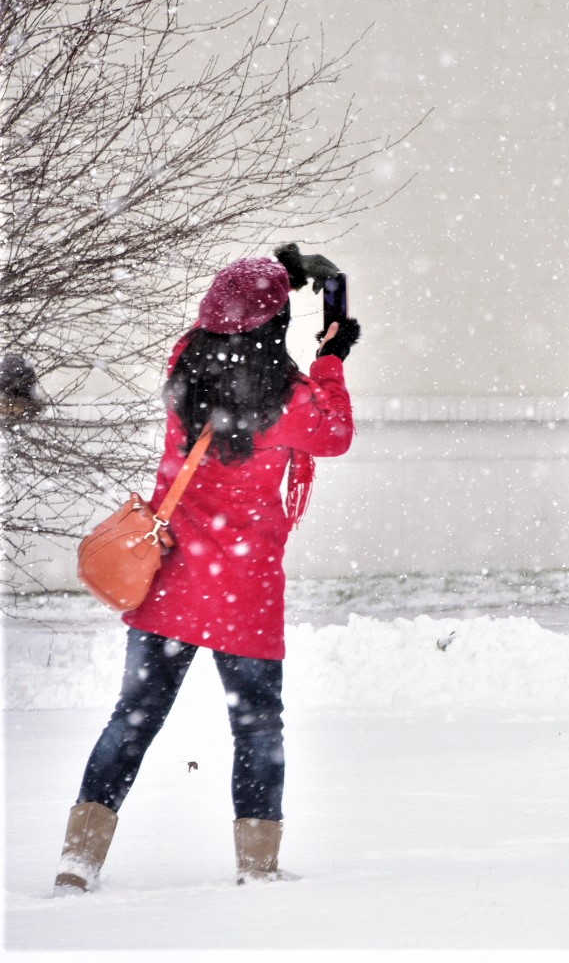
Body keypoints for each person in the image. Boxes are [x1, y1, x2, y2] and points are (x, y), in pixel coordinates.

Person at [54, 246, 359, 893]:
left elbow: (223, 328)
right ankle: (257, 863)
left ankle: (78, 860)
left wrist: (267, 276)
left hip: (168, 582)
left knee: (133, 718)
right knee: (255, 725)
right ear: (276, 328)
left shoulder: (183, 367)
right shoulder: (292, 403)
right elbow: (336, 433)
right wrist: (331, 354)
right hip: (243, 592)